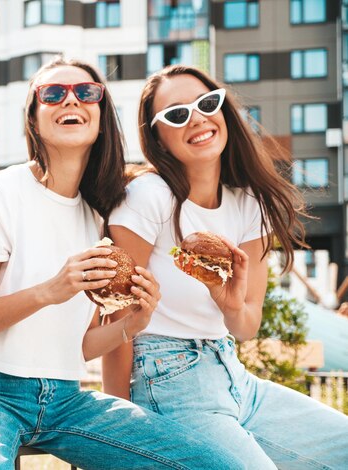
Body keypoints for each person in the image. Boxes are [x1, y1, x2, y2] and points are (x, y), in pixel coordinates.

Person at [0, 58, 244, 470]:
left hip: (66, 399)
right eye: (53, 93)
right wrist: (49, 291)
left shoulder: (98, 216)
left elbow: (76, 347)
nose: (71, 100)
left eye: (87, 92)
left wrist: (131, 324)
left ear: (101, 117)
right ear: (34, 117)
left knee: (216, 465)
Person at [104, 64, 348, 469]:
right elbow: (117, 321)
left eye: (207, 103)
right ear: (158, 138)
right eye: (177, 114)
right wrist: (118, 433)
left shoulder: (250, 203)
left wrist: (230, 304)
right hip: (167, 382)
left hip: (233, 375)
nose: (197, 118)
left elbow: (246, 327)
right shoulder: (147, 198)